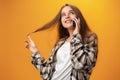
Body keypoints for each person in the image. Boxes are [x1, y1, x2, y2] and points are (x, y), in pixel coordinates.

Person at [25, 4, 98, 80]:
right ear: (61, 21)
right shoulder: (61, 43)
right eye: (63, 14)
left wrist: (76, 35)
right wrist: (34, 50)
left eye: (71, 13)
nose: (67, 16)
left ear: (78, 17)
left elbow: (80, 65)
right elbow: (47, 73)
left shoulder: (90, 38)